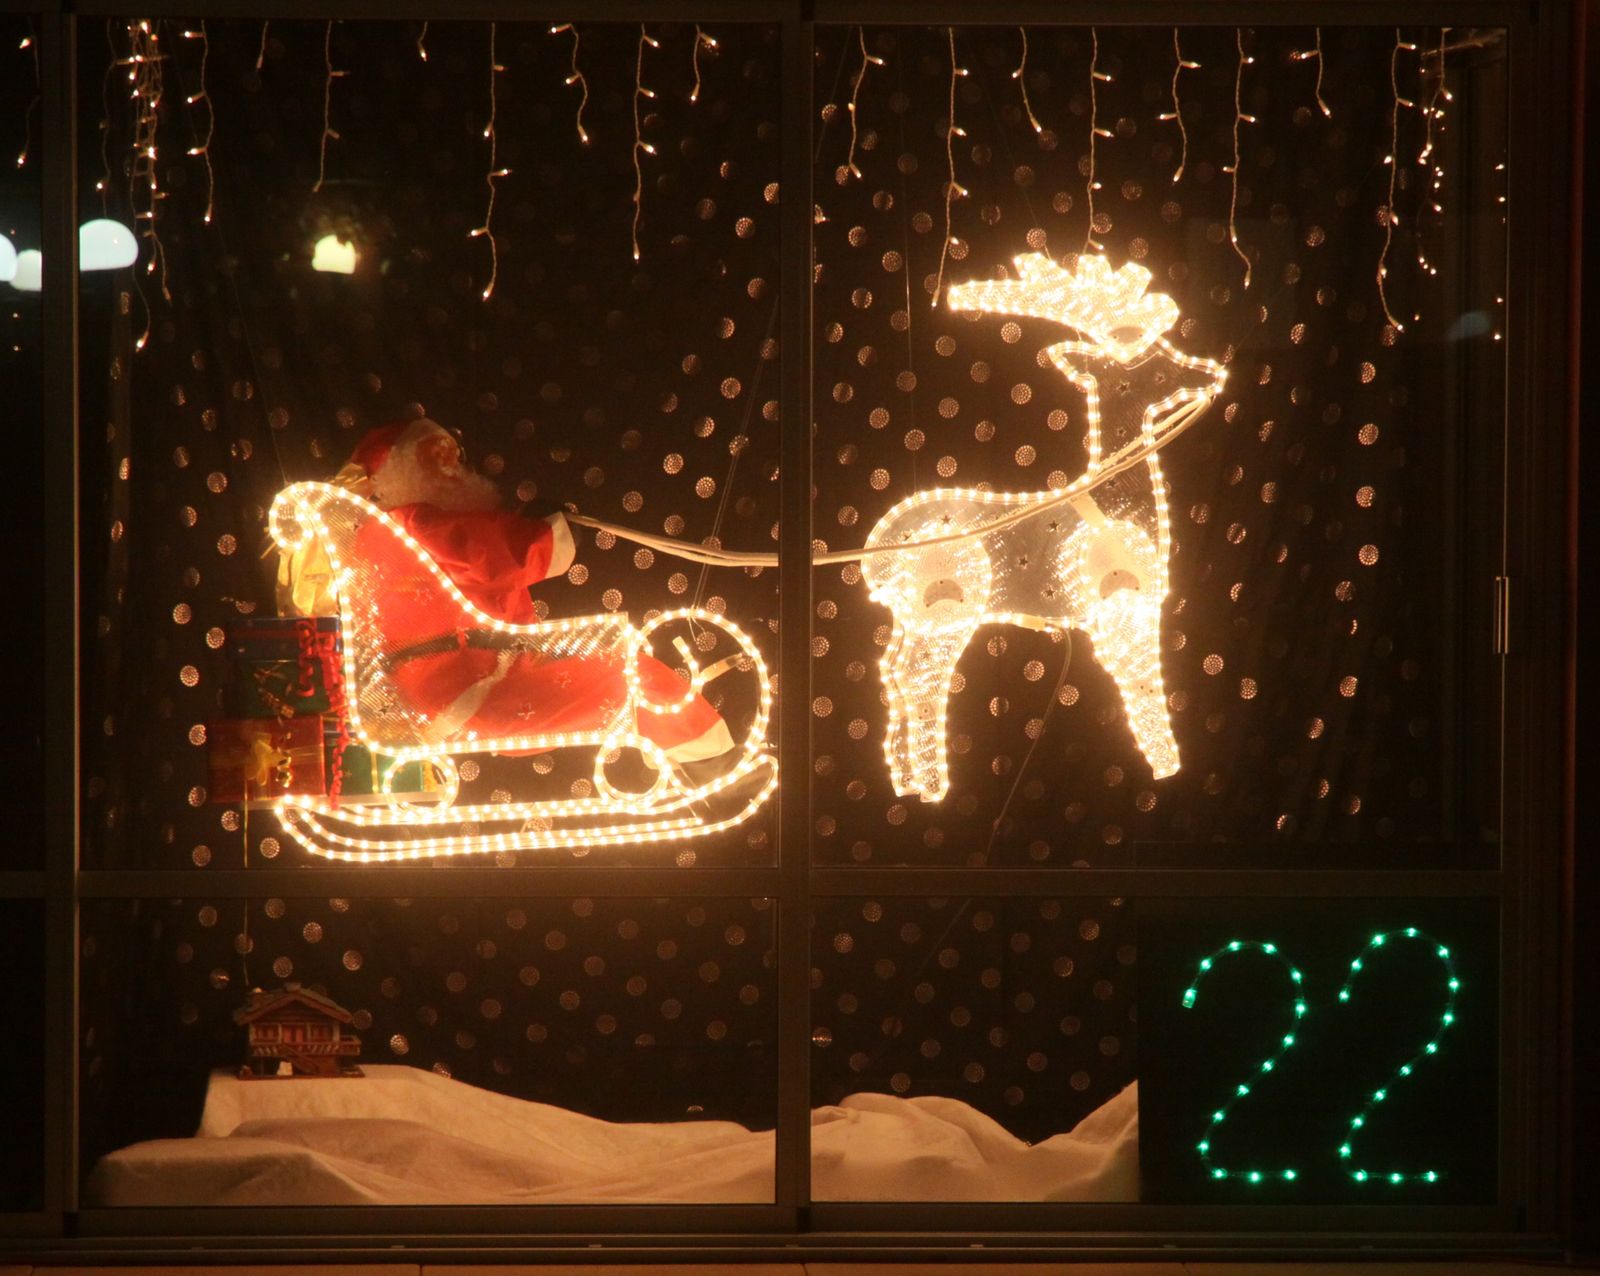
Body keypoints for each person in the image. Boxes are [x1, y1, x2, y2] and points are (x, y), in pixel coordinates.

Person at [289, 417, 737, 772]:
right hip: (471, 691)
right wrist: (548, 532)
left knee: (619, 669)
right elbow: (491, 557)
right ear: (418, 472)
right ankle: (717, 775)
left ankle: (693, 767)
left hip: (447, 688)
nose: (459, 472)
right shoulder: (414, 524)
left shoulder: (378, 535)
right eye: (447, 465)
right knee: (630, 675)